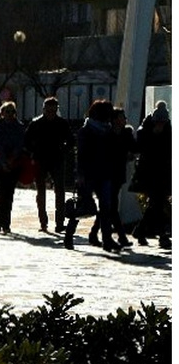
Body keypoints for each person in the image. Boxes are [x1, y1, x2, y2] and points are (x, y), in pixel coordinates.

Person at [69, 99, 127, 253]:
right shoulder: (86, 131)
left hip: (105, 173)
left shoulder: (108, 131)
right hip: (89, 174)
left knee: (106, 207)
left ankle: (107, 240)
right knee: (84, 205)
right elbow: (81, 155)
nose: (110, 117)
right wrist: (80, 174)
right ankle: (69, 234)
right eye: (108, 114)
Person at [23, 97, 73, 234]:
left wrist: (64, 150)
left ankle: (60, 222)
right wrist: (33, 153)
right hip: (40, 160)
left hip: (57, 159)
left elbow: (71, 141)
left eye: (54, 110)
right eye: (48, 110)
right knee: (41, 192)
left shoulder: (62, 123)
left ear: (57, 110)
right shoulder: (36, 123)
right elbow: (26, 141)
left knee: (60, 191)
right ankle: (43, 222)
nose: (51, 113)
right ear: (44, 109)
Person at [129, 102, 170, 249]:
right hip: (149, 172)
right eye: (159, 122)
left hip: (163, 172)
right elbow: (140, 148)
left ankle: (140, 230)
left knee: (156, 203)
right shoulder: (144, 131)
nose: (161, 125)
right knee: (157, 203)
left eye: (163, 122)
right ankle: (162, 235)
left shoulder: (168, 130)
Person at [0, 101, 27, 235]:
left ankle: (6, 223)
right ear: (2, 113)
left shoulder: (19, 127)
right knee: (1, 193)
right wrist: (4, 162)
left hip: (14, 162)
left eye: (12, 112)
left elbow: (20, 144)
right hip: (1, 162)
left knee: (9, 194)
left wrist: (12, 159)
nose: (10, 114)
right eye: (7, 111)